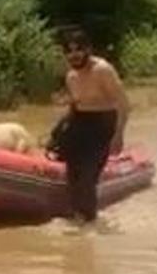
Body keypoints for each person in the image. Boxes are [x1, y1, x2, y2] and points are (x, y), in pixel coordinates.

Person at [54, 31, 131, 223]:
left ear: (88, 49)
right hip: (80, 124)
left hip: (102, 125)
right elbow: (76, 105)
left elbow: (123, 104)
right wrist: (59, 130)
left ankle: (89, 225)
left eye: (79, 49)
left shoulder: (102, 70)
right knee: (73, 177)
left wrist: (118, 135)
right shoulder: (71, 76)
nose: (74, 55)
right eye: (69, 51)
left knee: (88, 178)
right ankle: (78, 218)